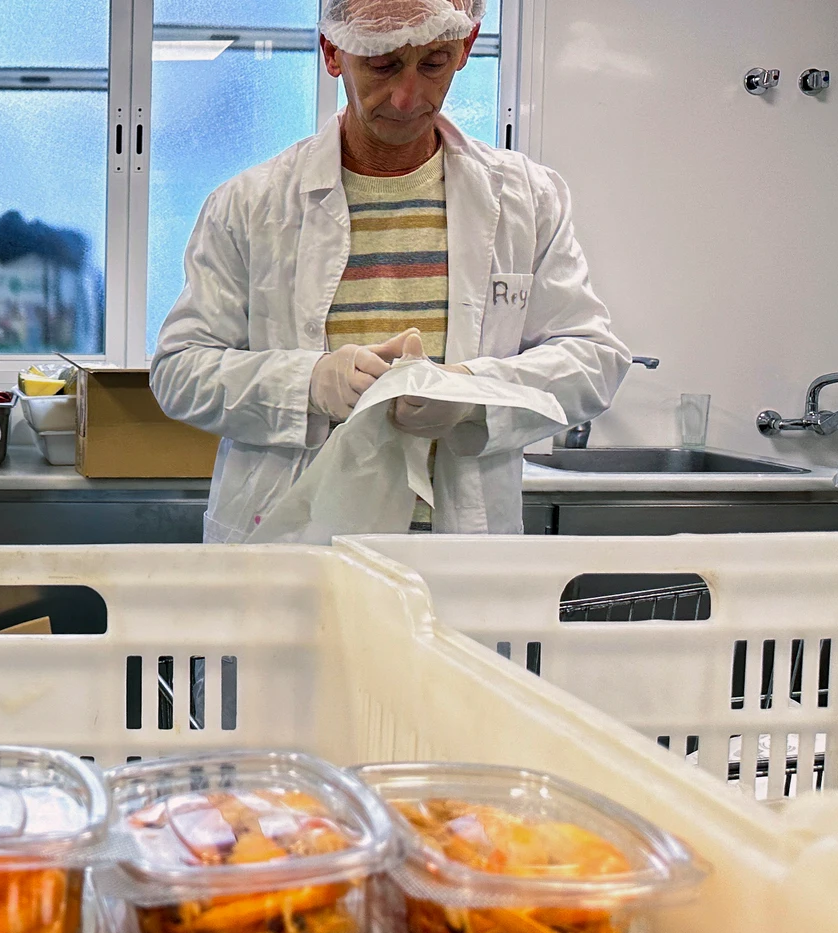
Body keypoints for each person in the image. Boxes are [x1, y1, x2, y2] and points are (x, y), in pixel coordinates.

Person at [150, 0, 630, 540]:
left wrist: (473, 393)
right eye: (381, 64)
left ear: (467, 48)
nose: (408, 97)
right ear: (334, 54)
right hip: (298, 544)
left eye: (434, 63)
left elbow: (594, 359)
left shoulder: (527, 200)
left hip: (455, 554)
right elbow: (179, 371)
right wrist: (309, 383)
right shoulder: (251, 204)